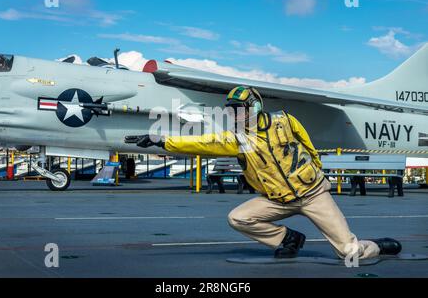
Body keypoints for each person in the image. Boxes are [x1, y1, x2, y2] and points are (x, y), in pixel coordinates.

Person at [131, 86, 402, 260]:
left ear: (254, 108)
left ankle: (378, 246)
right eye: (231, 111)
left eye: (239, 110)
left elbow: (307, 144)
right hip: (276, 200)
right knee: (238, 217)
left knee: (348, 252)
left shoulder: (284, 121)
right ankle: (287, 238)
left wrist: (316, 170)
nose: (234, 115)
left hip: (312, 195)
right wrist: (160, 141)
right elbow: (200, 142)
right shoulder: (237, 139)